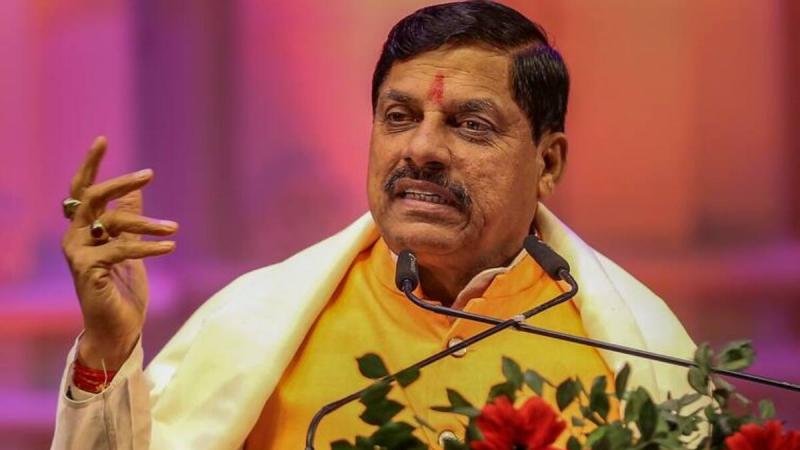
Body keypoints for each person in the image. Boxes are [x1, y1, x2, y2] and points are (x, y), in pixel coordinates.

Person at [52, 1, 697, 449]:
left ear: (547, 163)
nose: (422, 148)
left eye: (471, 125)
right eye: (398, 117)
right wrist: (108, 349)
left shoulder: (642, 351)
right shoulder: (254, 326)